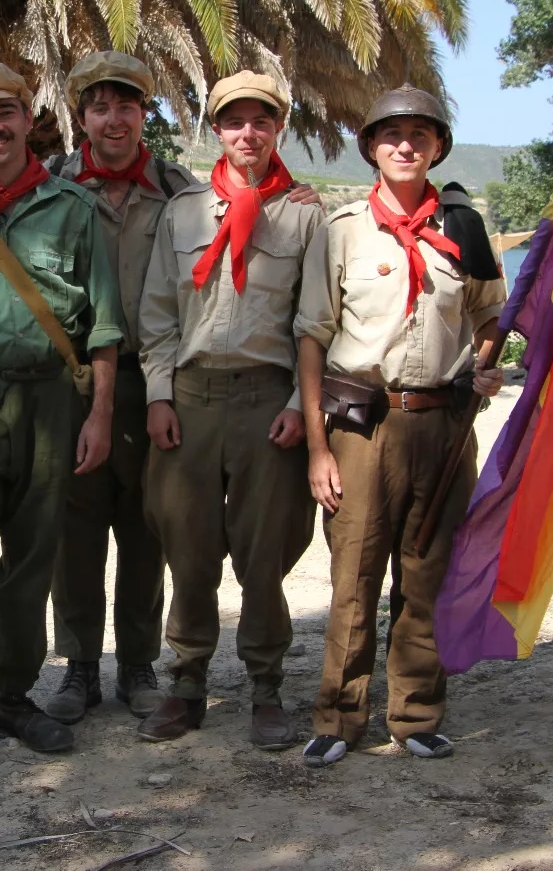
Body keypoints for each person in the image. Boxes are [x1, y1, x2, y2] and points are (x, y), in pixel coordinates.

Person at [0, 62, 126, 790]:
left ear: (27, 118)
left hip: (49, 403)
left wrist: (99, 414)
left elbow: (102, 326)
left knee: (31, 562)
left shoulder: (70, 208)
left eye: (5, 113)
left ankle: (10, 699)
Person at [294, 84, 507, 768]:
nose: (406, 145)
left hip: (442, 425)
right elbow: (310, 338)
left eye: (420, 134)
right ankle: (338, 715)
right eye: (392, 136)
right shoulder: (344, 231)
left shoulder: (464, 229)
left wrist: (481, 369)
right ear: (371, 150)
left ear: (438, 145)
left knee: (428, 576)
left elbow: (490, 318)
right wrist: (318, 449)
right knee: (353, 576)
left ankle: (415, 715)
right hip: (363, 428)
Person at [135, 70, 324, 751]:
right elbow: (157, 313)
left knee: (264, 552)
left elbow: (314, 321)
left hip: (266, 402)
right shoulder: (181, 213)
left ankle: (266, 687)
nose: (248, 134)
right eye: (234, 122)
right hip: (191, 401)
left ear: (278, 129)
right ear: (215, 130)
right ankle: (185, 684)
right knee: (186, 551)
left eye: (262, 121)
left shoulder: (305, 217)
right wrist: (158, 395)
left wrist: (302, 405)